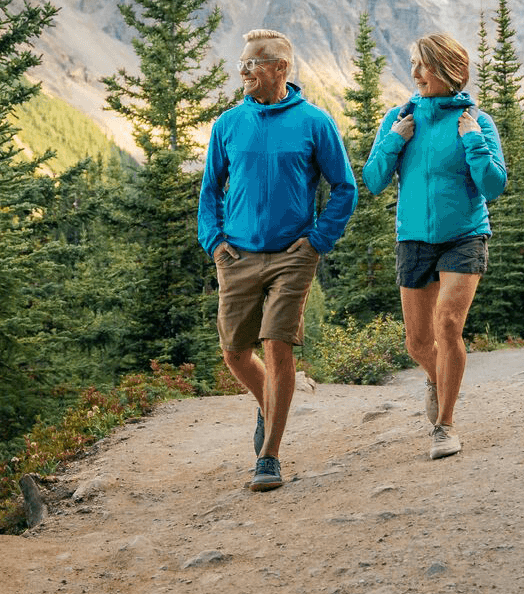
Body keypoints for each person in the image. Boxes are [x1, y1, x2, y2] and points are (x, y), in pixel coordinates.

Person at [198, 28, 357, 491]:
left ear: (280, 69)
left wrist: (316, 242)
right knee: (234, 353)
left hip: (293, 255)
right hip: (238, 254)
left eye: (253, 63)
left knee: (277, 346)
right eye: (242, 62)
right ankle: (268, 402)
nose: (243, 71)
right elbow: (210, 190)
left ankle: (269, 456)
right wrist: (215, 243)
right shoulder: (227, 124)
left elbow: (343, 188)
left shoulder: (314, 122)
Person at [362, 33, 506, 459]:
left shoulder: (477, 120)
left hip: (464, 235)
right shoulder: (400, 117)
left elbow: (494, 185)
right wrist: (395, 139)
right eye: (413, 64)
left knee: (448, 325)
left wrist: (473, 140)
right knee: (417, 342)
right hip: (413, 239)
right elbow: (372, 180)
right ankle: (436, 376)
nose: (415, 73)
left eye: (423, 65)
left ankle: (445, 425)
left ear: (452, 71)